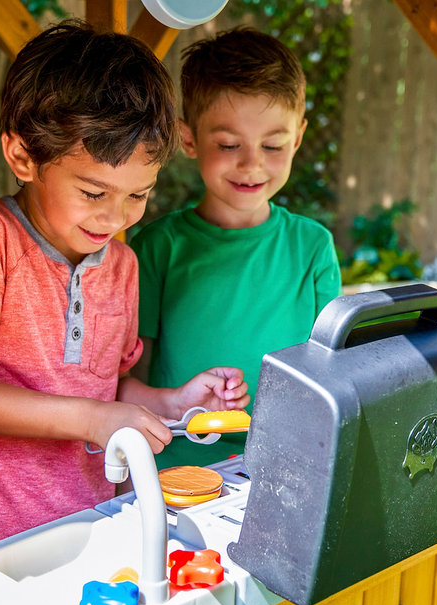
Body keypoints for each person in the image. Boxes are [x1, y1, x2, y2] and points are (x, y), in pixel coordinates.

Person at [0, 21, 250, 605]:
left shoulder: (122, 265)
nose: (117, 217)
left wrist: (173, 399)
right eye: (93, 192)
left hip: (86, 532)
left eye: (138, 196)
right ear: (23, 156)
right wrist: (93, 418)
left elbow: (105, 390)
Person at [130, 27, 342, 469]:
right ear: (188, 139)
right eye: (229, 145)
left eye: (273, 145)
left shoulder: (313, 248)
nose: (252, 164)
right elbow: (131, 380)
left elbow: (333, 375)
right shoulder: (156, 248)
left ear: (298, 138)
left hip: (285, 469)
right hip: (176, 476)